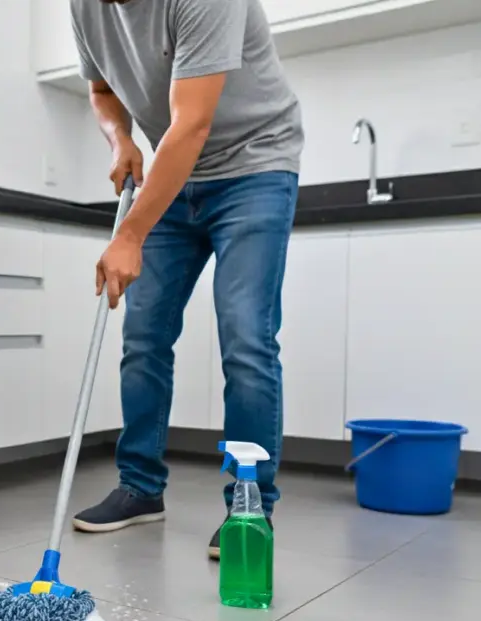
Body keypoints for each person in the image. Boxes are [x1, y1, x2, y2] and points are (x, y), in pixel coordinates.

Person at [67, 0, 304, 560]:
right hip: (176, 173)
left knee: (246, 336)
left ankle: (249, 508)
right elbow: (102, 90)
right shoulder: (83, 6)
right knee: (143, 335)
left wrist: (129, 236)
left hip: (256, 166)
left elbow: (193, 121)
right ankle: (140, 489)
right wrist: (120, 139)